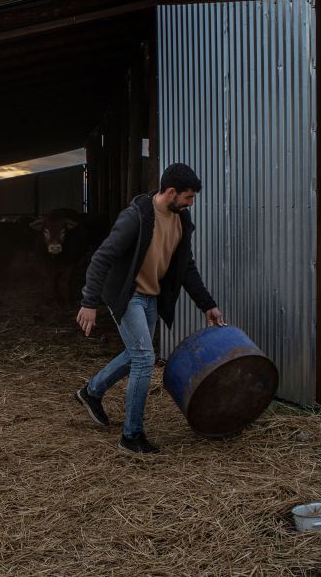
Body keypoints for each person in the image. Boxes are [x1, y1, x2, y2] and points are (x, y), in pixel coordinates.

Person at [74, 163, 225, 455]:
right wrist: (89, 302)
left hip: (152, 297)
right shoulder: (137, 218)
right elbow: (101, 258)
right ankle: (131, 436)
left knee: (137, 354)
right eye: (188, 197)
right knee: (145, 358)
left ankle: (91, 392)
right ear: (170, 192)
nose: (190, 203)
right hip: (127, 295)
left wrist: (208, 305)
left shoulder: (181, 219)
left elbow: (186, 267)